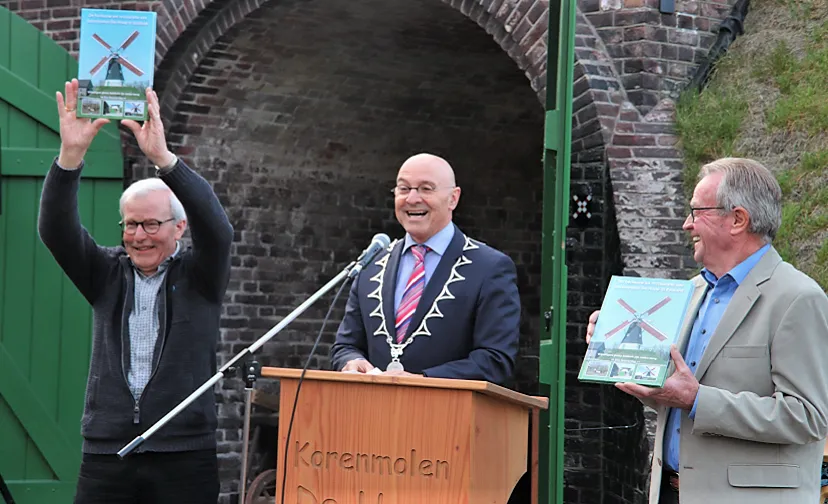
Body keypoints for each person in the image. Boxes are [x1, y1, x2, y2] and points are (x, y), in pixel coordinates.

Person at [585, 157, 828, 504]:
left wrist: (697, 399)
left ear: (738, 220)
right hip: (669, 492)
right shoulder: (692, 291)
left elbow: (808, 416)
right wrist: (617, 349)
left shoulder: (798, 297)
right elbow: (674, 394)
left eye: (697, 211)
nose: (687, 224)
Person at [38, 79, 233, 504]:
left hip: (184, 454)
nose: (139, 236)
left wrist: (163, 159)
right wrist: (70, 157)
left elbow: (217, 229)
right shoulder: (105, 273)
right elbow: (55, 229)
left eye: (151, 224)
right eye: (130, 224)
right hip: (108, 453)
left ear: (179, 228)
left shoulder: (201, 276)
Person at [329, 153, 520, 385]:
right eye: (403, 189)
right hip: (372, 405)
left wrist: (423, 380)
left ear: (453, 198)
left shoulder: (489, 267)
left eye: (426, 189)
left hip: (448, 406)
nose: (412, 199)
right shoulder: (371, 265)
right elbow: (346, 345)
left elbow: (495, 359)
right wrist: (351, 361)